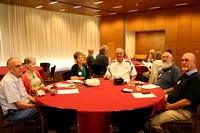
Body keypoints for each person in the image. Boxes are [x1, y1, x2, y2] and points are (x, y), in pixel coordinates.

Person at [151, 53, 200, 131]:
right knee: (150, 111)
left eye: (186, 60)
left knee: (153, 122)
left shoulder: (195, 79)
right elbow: (174, 90)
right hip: (172, 105)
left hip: (182, 111)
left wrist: (167, 108)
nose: (183, 62)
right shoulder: (183, 76)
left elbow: (187, 102)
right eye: (182, 60)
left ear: (194, 62)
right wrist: (163, 101)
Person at [0, 57, 40, 121]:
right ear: (10, 69)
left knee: (46, 106)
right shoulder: (8, 82)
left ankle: (46, 127)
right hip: (15, 113)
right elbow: (19, 105)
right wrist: (37, 106)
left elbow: (25, 94)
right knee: (45, 110)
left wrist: (37, 101)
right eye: (18, 66)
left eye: (22, 65)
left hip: (24, 106)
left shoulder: (17, 77)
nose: (21, 68)